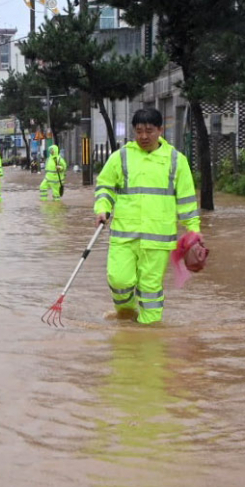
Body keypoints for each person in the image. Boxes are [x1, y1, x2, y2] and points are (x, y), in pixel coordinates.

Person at [93, 107, 202, 325]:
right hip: (124, 236)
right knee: (118, 280)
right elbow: (105, 186)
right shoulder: (121, 157)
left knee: (150, 290)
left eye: (149, 131)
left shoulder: (176, 160)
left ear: (161, 130)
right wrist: (102, 208)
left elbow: (187, 200)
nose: (144, 136)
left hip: (158, 238)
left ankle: (148, 335)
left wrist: (194, 231)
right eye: (139, 131)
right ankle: (126, 313)